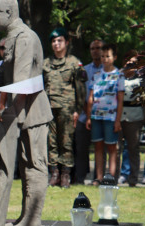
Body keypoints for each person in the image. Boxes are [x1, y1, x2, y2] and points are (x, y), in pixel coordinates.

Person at [0, 0, 53, 226]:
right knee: (25, 165)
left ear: (9, 13)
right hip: (21, 110)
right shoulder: (13, 37)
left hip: (32, 112)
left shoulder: (25, 38)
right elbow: (1, 78)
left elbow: (22, 83)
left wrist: (13, 114)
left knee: (34, 164)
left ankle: (32, 220)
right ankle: (26, 217)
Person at [42, 28, 85, 188]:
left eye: (59, 40)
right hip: (49, 108)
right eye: (53, 41)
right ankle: (54, 173)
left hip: (67, 109)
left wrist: (77, 110)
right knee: (51, 142)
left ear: (67, 42)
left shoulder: (75, 63)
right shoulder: (45, 63)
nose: (56, 44)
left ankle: (66, 175)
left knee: (66, 142)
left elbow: (80, 88)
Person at [86, 42, 124, 183]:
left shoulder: (119, 75)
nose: (104, 59)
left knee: (112, 148)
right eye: (102, 56)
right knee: (98, 147)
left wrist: (118, 120)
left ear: (114, 57)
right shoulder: (96, 75)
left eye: (107, 56)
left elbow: (120, 100)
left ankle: (111, 178)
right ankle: (99, 177)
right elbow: (91, 97)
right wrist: (89, 117)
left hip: (111, 117)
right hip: (96, 116)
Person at [75, 39, 104, 184]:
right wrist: (88, 113)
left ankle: (98, 178)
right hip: (84, 115)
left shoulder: (110, 70)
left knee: (100, 148)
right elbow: (81, 93)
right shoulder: (84, 70)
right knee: (81, 148)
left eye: (98, 48)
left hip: (103, 115)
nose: (95, 51)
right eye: (92, 48)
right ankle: (80, 178)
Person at [120, 54, 144, 187]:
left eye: (133, 63)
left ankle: (133, 178)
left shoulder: (141, 78)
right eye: (128, 62)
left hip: (134, 116)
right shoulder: (118, 75)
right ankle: (118, 176)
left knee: (133, 148)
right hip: (118, 115)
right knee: (116, 148)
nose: (130, 65)